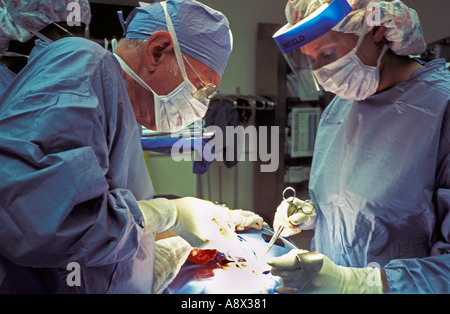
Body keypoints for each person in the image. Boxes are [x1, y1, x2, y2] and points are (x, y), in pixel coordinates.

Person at [0, 0, 262, 294]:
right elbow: (42, 224)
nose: (201, 105)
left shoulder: (119, 108)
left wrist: (164, 263)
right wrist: (169, 212)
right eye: (202, 87)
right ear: (157, 50)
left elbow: (99, 229)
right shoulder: (84, 63)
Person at [270, 0, 450, 293]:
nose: (323, 72)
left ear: (377, 29)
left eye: (328, 53)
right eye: (312, 60)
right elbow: (359, 202)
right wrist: (314, 211)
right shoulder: (341, 108)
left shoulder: (442, 109)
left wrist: (360, 284)